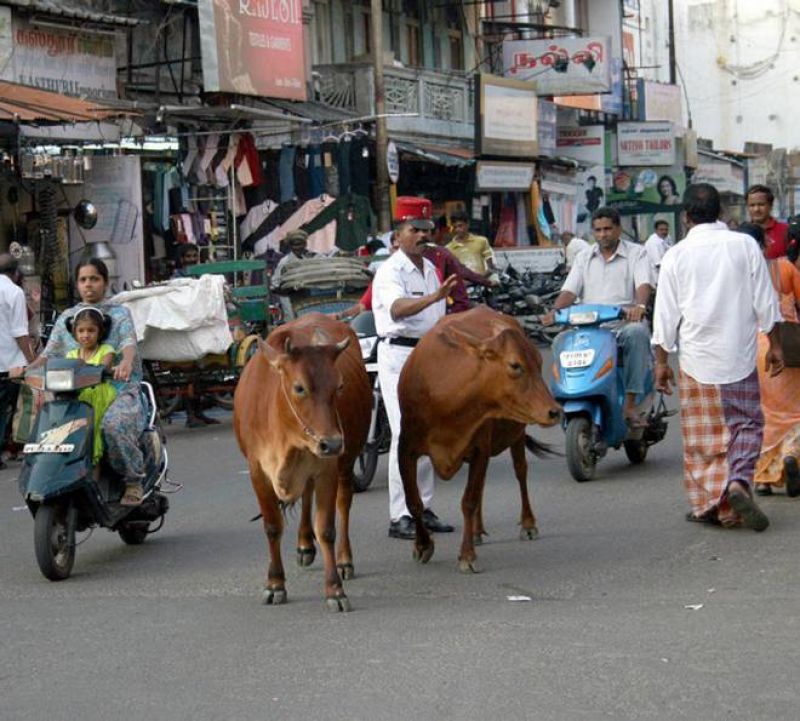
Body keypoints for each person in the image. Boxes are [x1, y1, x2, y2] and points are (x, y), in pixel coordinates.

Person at [652, 184, 783, 530]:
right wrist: (777, 345)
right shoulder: (744, 245)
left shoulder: (676, 255)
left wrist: (661, 363)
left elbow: (664, 316)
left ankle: (713, 505)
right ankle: (739, 481)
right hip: (738, 354)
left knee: (704, 438)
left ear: (686, 217)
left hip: (696, 359)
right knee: (747, 424)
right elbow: (765, 301)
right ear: (721, 212)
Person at [31, 259, 148, 506]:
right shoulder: (67, 318)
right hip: (74, 396)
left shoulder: (119, 314)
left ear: (105, 282)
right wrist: (25, 369)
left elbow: (128, 344)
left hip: (117, 390)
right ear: (77, 284)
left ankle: (133, 480)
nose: (89, 285)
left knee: (112, 427)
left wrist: (126, 362)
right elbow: (47, 355)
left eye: (94, 279)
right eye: (83, 280)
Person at [372, 208, 458, 540]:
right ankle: (401, 515)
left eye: (427, 229)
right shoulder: (390, 271)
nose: (423, 236)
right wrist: (435, 297)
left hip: (428, 355)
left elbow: (437, 316)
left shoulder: (432, 269)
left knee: (427, 432)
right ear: (398, 235)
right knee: (405, 434)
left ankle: (422, 506)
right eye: (414, 230)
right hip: (399, 355)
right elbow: (397, 309)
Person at [543, 207, 654, 427]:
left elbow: (644, 285)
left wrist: (639, 306)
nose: (603, 234)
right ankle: (567, 395)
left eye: (607, 229)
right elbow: (569, 291)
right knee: (559, 341)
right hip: (589, 327)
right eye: (598, 230)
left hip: (623, 324)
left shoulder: (636, 253)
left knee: (638, 333)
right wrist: (555, 311)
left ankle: (630, 403)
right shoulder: (584, 257)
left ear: (618, 229)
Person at [737, 222, 800, 497]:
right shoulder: (782, 268)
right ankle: (791, 453)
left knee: (761, 412)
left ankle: (762, 477)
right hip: (784, 344)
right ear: (765, 243)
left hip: (748, 348)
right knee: (794, 410)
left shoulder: (733, 276)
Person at [65, 308, 117, 466]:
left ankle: (95, 478)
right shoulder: (71, 355)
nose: (85, 335)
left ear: (99, 332)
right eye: (81, 331)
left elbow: (102, 367)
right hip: (78, 397)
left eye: (91, 330)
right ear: (75, 333)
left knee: (93, 436)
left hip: (100, 397)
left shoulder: (106, 351)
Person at [0, 254, 35, 469]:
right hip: (9, 363)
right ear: (16, 273)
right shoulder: (14, 292)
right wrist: (32, 360)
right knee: (6, 409)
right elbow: (20, 332)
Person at [446, 209, 497, 280]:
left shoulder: (481, 241)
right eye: (455, 227)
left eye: (460, 226)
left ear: (467, 224)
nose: (457, 229)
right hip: (463, 288)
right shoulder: (448, 248)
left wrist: (477, 280)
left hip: (481, 287)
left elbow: (491, 268)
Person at [746, 184, 788, 259]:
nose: (756, 209)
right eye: (752, 205)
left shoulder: (786, 231)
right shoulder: (741, 234)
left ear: (771, 206)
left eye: (761, 204)